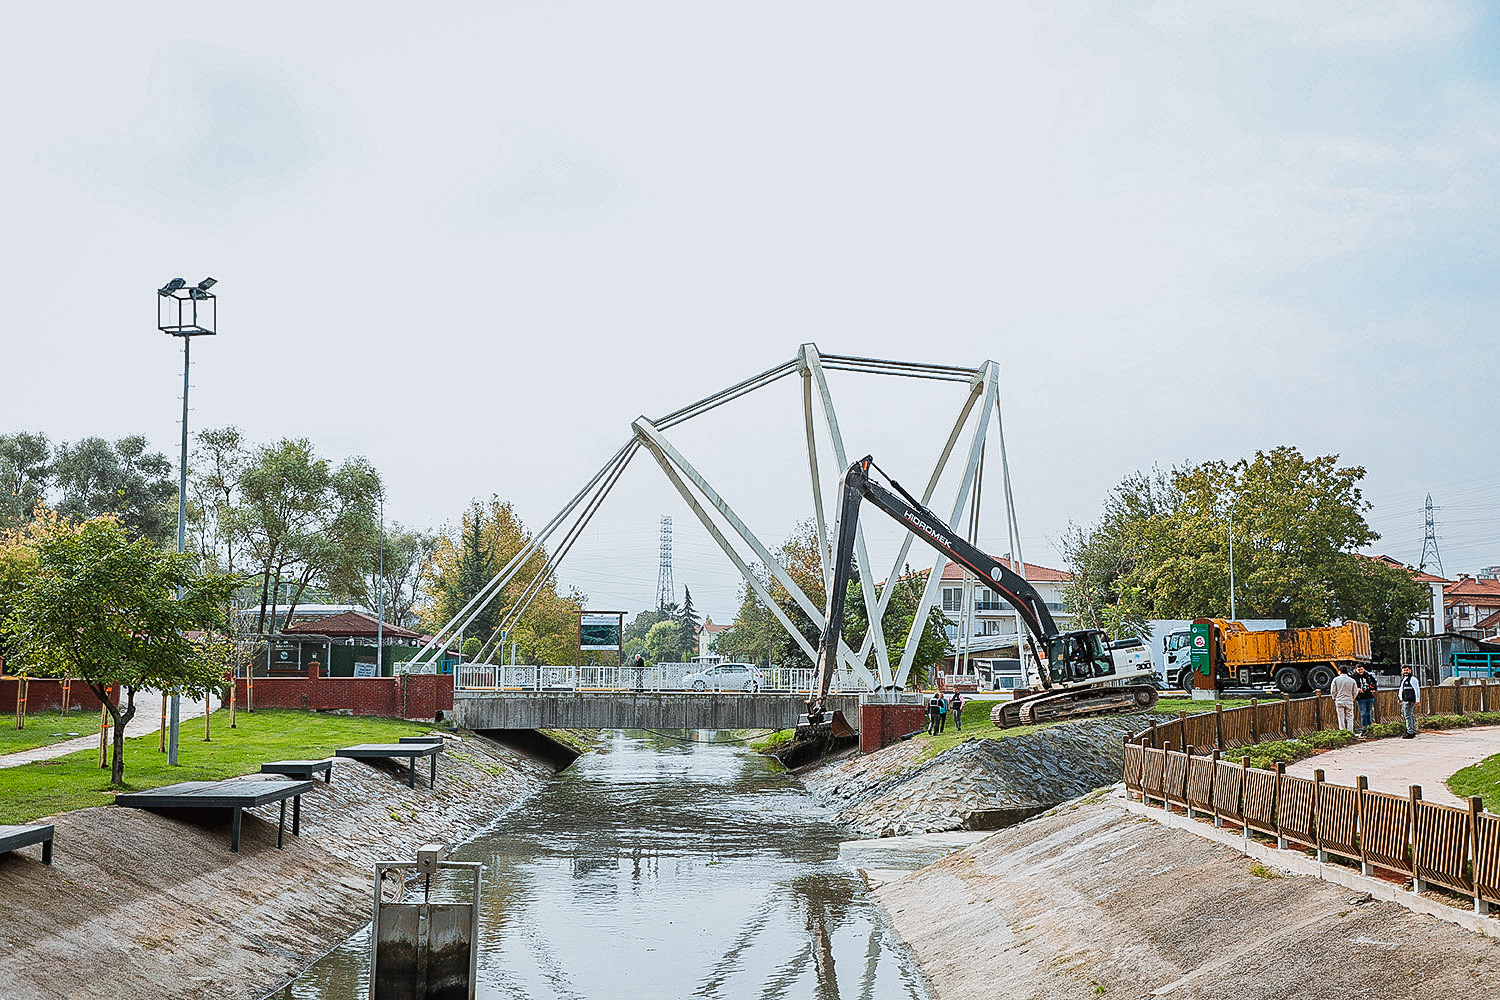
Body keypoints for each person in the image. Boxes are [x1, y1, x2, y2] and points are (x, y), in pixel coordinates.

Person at [1330, 666, 1358, 732]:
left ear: (1340, 671)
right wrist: (1352, 698)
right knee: (1350, 717)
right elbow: (1355, 691)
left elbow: (1333, 691)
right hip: (1349, 700)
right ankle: (1350, 731)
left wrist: (1334, 698)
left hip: (1339, 700)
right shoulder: (1352, 680)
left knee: (1341, 717)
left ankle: (1342, 731)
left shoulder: (1336, 679)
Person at [1398, 664, 1421, 738]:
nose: (1405, 672)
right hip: (1405, 700)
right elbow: (1401, 689)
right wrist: (1400, 698)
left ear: (1410, 670)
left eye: (1407, 670)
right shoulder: (1404, 679)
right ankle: (1412, 730)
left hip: (1410, 700)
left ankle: (1410, 732)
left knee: (1408, 716)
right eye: (1404, 670)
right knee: (1410, 715)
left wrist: (1418, 700)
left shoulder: (1413, 679)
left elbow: (1417, 690)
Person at [1353, 664, 1377, 733]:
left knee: (1369, 713)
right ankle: (1364, 728)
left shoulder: (1368, 676)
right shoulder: (1354, 677)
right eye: (1359, 670)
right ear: (1356, 670)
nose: (1360, 671)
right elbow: (1352, 686)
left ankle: (1370, 727)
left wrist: (1374, 689)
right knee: (1363, 713)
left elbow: (1374, 683)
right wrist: (1357, 689)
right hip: (1361, 698)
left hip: (1369, 696)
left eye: (1361, 669)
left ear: (1364, 669)